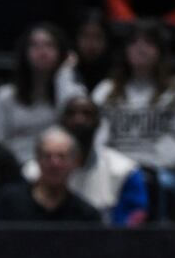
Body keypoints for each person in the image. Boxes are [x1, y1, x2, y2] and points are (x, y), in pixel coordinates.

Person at [92, 21, 175, 179]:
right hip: (112, 170)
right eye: (133, 42)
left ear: (161, 51)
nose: (140, 48)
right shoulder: (106, 90)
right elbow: (96, 138)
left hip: (162, 172)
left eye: (149, 42)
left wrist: (143, 168)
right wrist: (113, 166)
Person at [37, 95, 149, 225]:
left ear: (99, 122)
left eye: (87, 114)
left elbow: (131, 224)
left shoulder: (124, 171)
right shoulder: (32, 172)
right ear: (61, 121)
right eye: (71, 113)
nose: (79, 120)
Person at [0, 24, 83, 168]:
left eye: (49, 45)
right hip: (16, 169)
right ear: (24, 53)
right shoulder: (5, 96)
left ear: (61, 53)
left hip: (58, 167)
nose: (42, 51)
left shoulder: (71, 92)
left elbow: (75, 130)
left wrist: (64, 74)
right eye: (34, 45)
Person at [0, 128, 103, 224]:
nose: (54, 164)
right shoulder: (8, 202)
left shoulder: (86, 216)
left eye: (62, 157)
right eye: (47, 156)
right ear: (37, 159)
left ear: (75, 162)